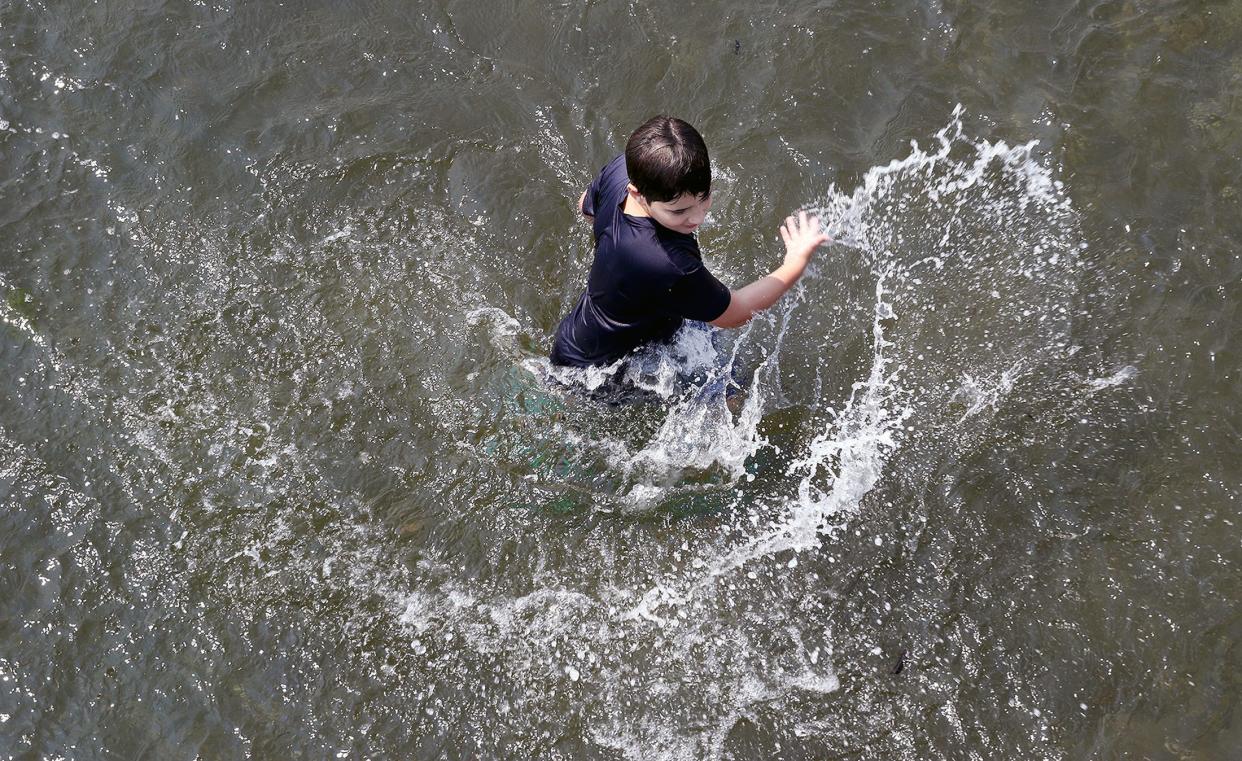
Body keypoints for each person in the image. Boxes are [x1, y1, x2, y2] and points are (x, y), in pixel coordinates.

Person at [550, 115, 829, 373]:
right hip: (600, 368)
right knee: (730, 383)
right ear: (638, 193)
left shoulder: (622, 169)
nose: (697, 217)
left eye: (704, 196)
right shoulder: (666, 263)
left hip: (583, 334)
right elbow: (736, 313)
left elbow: (586, 206)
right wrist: (795, 261)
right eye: (679, 211)